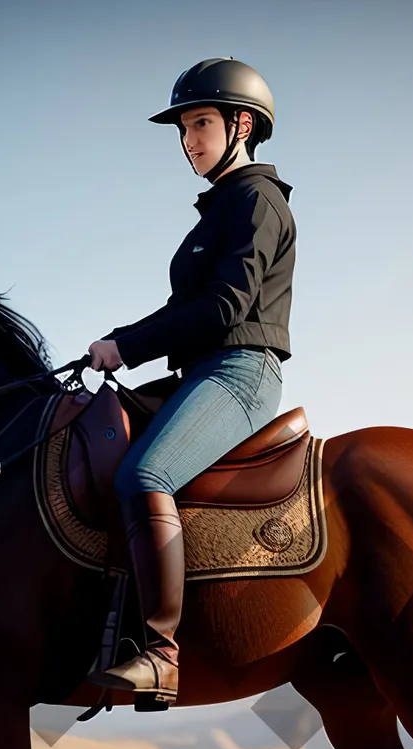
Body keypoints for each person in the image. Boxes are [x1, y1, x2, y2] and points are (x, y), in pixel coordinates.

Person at [85, 56, 296, 710]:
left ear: (242, 124)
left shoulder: (257, 202)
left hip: (240, 372)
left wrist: (127, 345)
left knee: (144, 475)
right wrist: (119, 344)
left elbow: (225, 308)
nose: (189, 140)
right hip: (200, 369)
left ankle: (161, 653)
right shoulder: (219, 209)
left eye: (201, 123)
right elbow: (185, 313)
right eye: (183, 129)